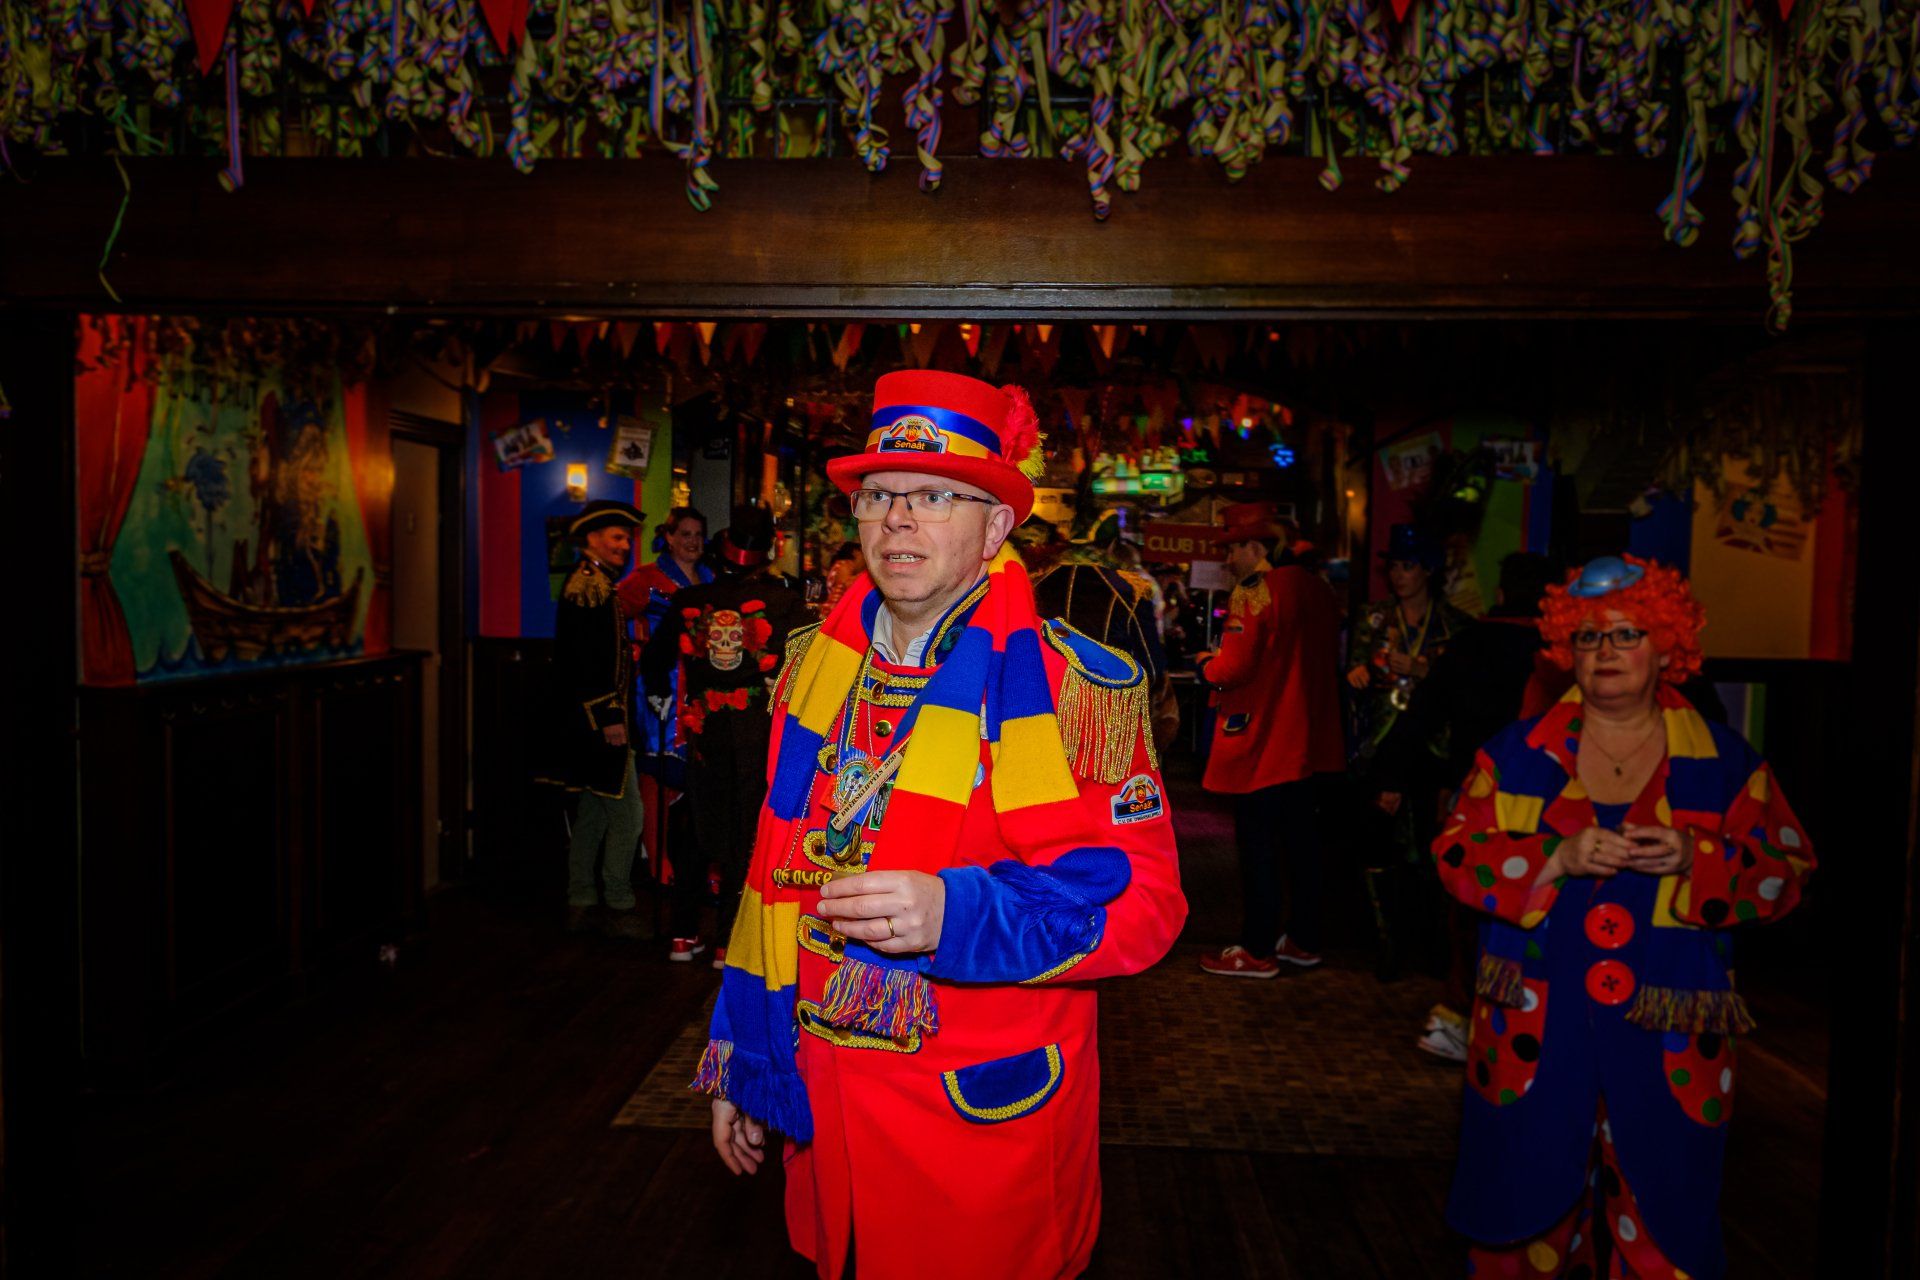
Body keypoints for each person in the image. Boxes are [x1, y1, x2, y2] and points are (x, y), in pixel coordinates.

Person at [693, 370, 1186, 1280]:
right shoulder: (809, 669)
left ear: (995, 526)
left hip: (978, 1132)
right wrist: (745, 1054)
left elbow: (1146, 908)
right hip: (823, 1113)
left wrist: (961, 915)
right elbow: (774, 873)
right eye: (878, 495)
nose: (897, 520)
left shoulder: (1077, 690)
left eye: (933, 496)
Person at [1434, 555, 1815, 1279]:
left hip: (1673, 1041)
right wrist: (1553, 857)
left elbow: (1787, 870)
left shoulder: (1727, 765)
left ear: (1668, 647)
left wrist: (1697, 857)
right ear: (1565, 649)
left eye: (1628, 633)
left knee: (1664, 1227)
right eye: (1588, 636)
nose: (1605, 651)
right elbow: (1454, 853)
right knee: (1520, 1218)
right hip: (1534, 1032)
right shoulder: (1514, 757)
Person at [1372, 551, 1560, 1059]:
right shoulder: (1561, 653)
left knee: (1472, 903)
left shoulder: (1471, 643)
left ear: (1500, 593)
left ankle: (1464, 1008)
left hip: (1479, 791)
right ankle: (1527, 1013)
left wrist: (1390, 775)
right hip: (1554, 803)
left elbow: (1423, 714)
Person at [642, 504, 809, 966]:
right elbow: (806, 664)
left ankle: (682, 934)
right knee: (744, 828)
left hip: (703, 728)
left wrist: (660, 696)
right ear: (768, 553)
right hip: (756, 731)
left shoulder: (691, 600)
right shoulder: (785, 603)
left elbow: (654, 661)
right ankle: (726, 941)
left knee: (699, 821)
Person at [1195, 503, 1346, 978]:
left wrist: (1206, 665)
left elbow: (1234, 667)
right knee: (1302, 846)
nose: (1228, 560)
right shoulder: (1319, 588)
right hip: (1311, 741)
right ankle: (1303, 939)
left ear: (1255, 547)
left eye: (1233, 549)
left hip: (1264, 741)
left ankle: (1257, 950)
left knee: (1258, 849)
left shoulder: (1255, 591)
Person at [1347, 522, 1472, 977]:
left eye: (1408, 566)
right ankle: (1387, 948)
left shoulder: (1455, 625)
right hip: (1380, 749)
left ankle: (1435, 951)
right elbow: (1354, 670)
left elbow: (1465, 693)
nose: (1399, 575)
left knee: (1429, 850)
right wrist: (1357, 674)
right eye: (1394, 567)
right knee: (1378, 849)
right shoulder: (1374, 618)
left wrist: (1423, 670)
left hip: (1431, 752)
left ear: (1428, 571)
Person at [550, 499, 650, 941]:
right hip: (599, 720)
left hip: (588, 720)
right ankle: (619, 899)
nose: (624, 545)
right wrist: (610, 715)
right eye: (617, 537)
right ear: (592, 539)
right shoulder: (589, 586)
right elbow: (587, 661)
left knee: (592, 810)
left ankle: (581, 895)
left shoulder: (596, 581)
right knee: (628, 814)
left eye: (627, 539)